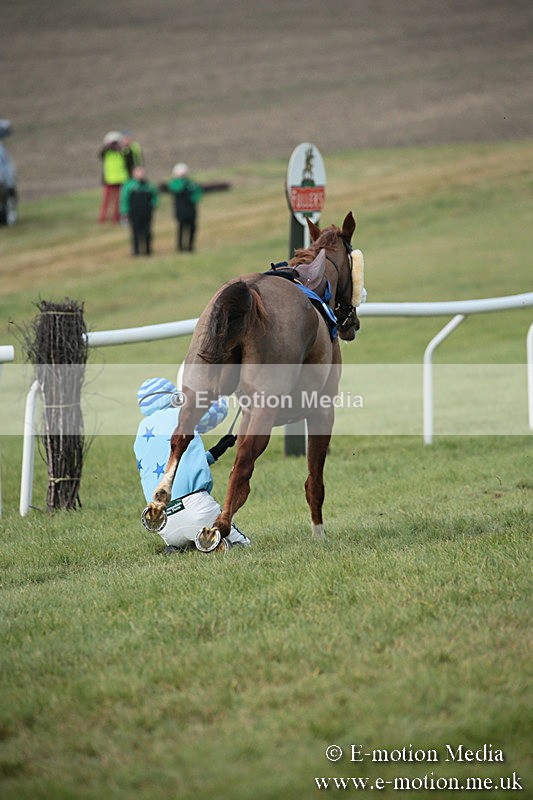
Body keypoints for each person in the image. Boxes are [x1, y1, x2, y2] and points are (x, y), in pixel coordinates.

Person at [134, 377, 251, 554]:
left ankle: (176, 546)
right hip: (197, 507)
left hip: (164, 520)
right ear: (173, 397)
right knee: (243, 545)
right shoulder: (184, 416)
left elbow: (178, 465)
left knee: (182, 535)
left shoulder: (141, 431)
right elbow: (217, 410)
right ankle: (220, 543)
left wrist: (216, 451)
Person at [119, 166, 159, 256]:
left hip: (147, 212)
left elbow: (155, 197)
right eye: (138, 172)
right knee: (135, 232)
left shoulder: (148, 185)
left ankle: (148, 251)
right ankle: (136, 252)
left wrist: (153, 205)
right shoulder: (129, 185)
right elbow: (124, 200)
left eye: (142, 172)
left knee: (147, 231)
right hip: (134, 213)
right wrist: (124, 212)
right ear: (134, 174)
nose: (141, 174)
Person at [166, 163, 203, 252]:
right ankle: (180, 247)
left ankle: (190, 246)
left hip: (191, 210)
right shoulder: (174, 183)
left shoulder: (191, 183)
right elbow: (177, 189)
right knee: (181, 228)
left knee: (192, 228)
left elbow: (198, 193)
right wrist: (182, 181)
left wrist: (194, 198)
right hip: (180, 210)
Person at [98, 131, 129, 223]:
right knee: (106, 201)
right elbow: (101, 154)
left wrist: (121, 147)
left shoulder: (123, 152)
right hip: (109, 180)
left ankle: (116, 218)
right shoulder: (107, 152)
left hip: (121, 179)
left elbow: (128, 156)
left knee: (118, 201)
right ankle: (102, 218)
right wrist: (108, 145)